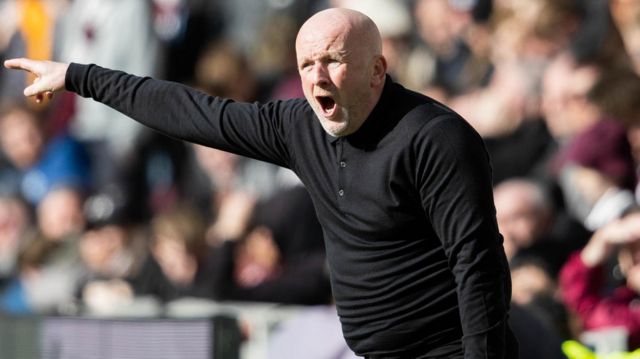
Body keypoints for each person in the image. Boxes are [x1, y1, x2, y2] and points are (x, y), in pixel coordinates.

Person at [4, 8, 517, 358]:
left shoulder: (434, 136)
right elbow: (191, 112)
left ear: (377, 69)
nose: (317, 78)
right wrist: (78, 75)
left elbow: (478, 261)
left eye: (334, 61)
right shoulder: (300, 126)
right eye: (306, 65)